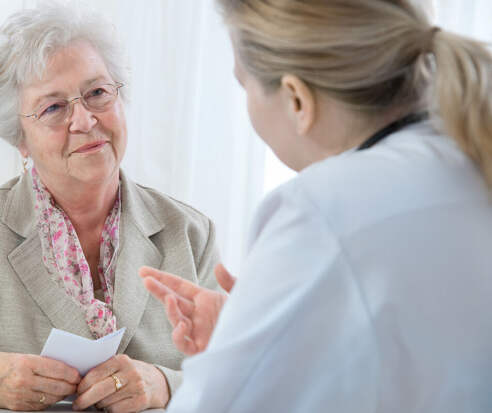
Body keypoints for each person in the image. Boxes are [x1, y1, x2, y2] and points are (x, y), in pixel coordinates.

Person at [140, 0, 492, 411]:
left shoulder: (322, 210)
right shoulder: (467, 153)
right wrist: (265, 338)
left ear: (296, 100)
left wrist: (246, 352)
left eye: (243, 84)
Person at [0, 4, 220, 412]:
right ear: (20, 139)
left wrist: (166, 384)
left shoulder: (190, 233)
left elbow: (240, 369)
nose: (84, 121)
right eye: (53, 108)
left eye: (97, 93)